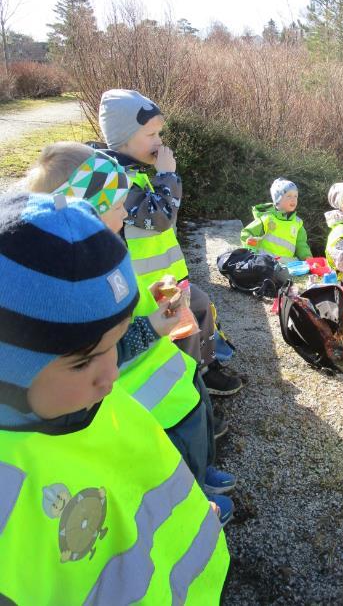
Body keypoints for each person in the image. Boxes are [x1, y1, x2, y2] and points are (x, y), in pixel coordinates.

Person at [0, 192, 229, 604]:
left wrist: (191, 514)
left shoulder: (89, 399)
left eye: (116, 345)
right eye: (83, 361)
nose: (111, 375)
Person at [25, 143, 236, 512]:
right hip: (148, 404)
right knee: (173, 461)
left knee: (197, 432)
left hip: (173, 378)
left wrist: (149, 300)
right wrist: (154, 324)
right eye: (117, 205)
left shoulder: (102, 250)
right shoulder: (76, 284)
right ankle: (195, 511)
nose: (125, 211)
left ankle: (202, 476)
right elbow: (100, 353)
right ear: (84, 212)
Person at [97, 88, 243, 397]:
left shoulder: (135, 173)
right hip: (144, 290)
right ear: (124, 139)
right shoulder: (119, 181)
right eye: (151, 134)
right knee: (182, 330)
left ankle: (204, 369)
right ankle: (189, 394)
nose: (159, 141)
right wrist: (167, 175)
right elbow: (160, 217)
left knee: (201, 306)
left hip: (165, 280)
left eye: (159, 133)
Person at [240, 178, 312, 260]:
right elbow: (247, 233)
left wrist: (307, 257)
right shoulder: (267, 219)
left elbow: (301, 244)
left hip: (288, 266)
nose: (293, 199)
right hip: (265, 264)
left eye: (296, 196)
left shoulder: (297, 223)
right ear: (278, 199)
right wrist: (250, 248)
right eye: (289, 196)